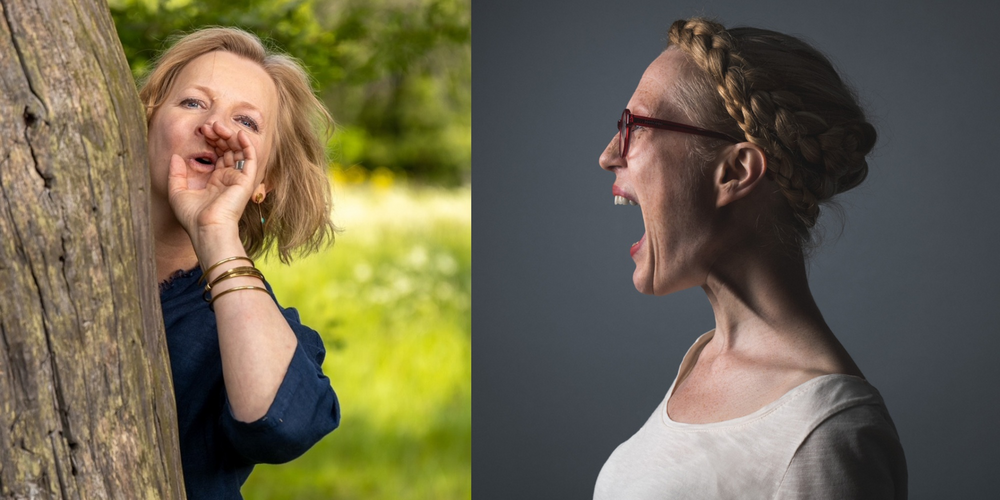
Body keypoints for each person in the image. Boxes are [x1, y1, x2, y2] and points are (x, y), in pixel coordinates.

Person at [593, 18, 906, 499]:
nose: (610, 154)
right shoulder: (704, 359)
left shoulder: (824, 434)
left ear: (735, 172)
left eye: (635, 126)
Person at [140, 27, 339, 498]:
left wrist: (215, 231)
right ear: (146, 124)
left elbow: (281, 426)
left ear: (263, 179)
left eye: (247, 122)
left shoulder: (250, 322)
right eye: (193, 103)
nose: (219, 128)